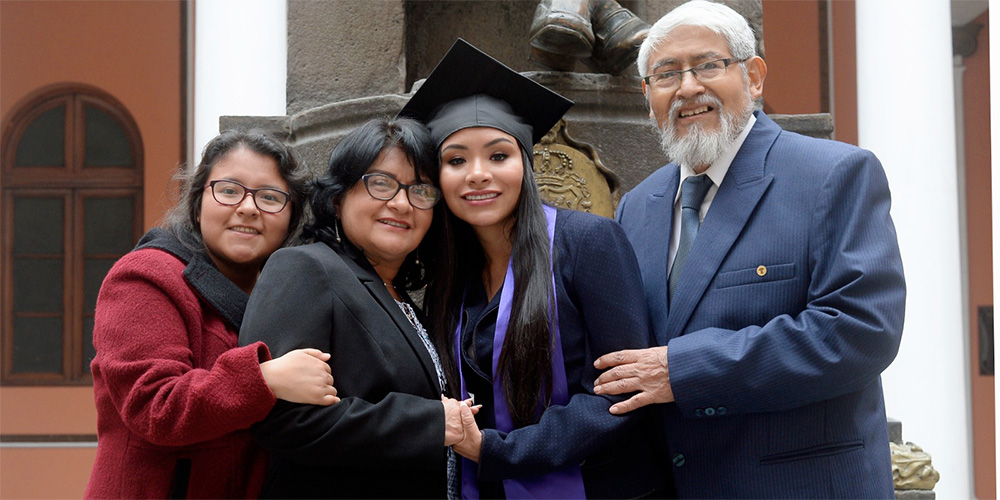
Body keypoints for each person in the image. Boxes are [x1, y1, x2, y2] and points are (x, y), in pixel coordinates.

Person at [593, 1, 906, 498]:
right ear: (646, 95)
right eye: (666, 74)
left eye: (708, 65)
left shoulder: (833, 175)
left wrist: (684, 371)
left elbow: (860, 331)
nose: (688, 87)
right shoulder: (638, 206)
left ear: (754, 76)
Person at [401, 39, 665, 499]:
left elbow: (624, 390)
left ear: (525, 164)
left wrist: (496, 451)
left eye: (498, 155)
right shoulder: (452, 277)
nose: (478, 173)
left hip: (597, 486)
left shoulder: (587, 242)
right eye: (456, 159)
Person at [85, 130, 339, 499]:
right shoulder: (145, 276)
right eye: (230, 190)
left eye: (270, 197)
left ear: (291, 217)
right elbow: (155, 406)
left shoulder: (283, 291)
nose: (249, 208)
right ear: (198, 201)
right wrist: (263, 378)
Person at [238, 117, 474, 499]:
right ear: (337, 197)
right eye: (381, 183)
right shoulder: (305, 267)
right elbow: (281, 419)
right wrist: (429, 422)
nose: (401, 203)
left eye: (421, 190)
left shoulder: (405, 298)